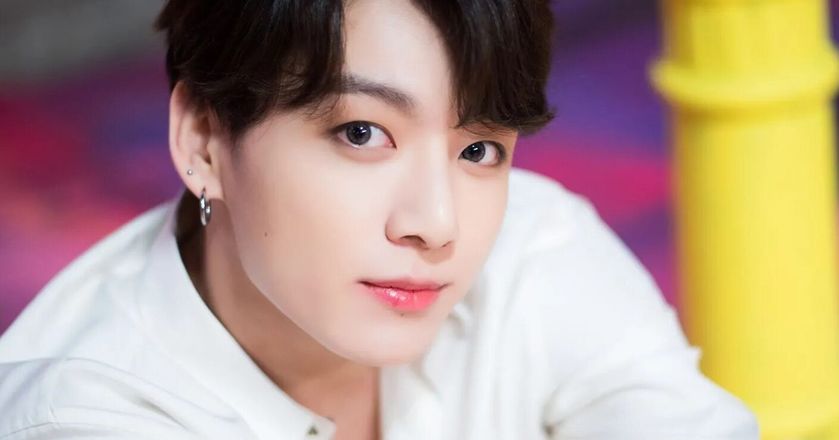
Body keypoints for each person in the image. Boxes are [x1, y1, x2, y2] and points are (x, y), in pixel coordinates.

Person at [0, 0, 759, 438]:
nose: (437, 223)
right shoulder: (83, 417)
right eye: (362, 133)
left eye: (480, 150)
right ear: (203, 140)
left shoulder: (535, 244)